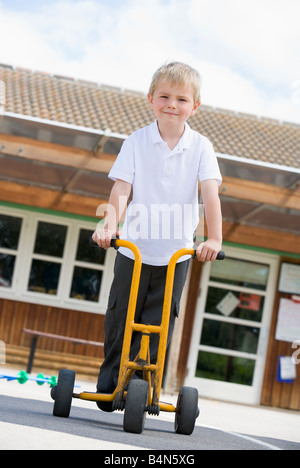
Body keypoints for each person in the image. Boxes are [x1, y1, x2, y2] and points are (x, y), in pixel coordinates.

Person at [92, 62, 222, 410]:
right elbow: (123, 187)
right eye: (164, 96)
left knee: (159, 321)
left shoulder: (201, 147)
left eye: (181, 99)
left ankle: (146, 384)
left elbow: (210, 193)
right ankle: (112, 377)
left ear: (195, 106)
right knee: (121, 315)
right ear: (151, 99)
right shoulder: (137, 141)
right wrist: (109, 225)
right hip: (133, 248)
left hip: (175, 254)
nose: (171, 104)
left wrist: (214, 239)